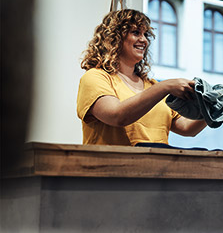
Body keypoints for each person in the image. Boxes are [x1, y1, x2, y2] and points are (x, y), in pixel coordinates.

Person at [77, 9, 207, 146]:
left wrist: (212, 111)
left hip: (156, 166)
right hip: (111, 166)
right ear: (115, 38)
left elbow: (186, 128)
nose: (144, 40)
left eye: (145, 34)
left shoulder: (152, 85)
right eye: (136, 33)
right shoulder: (95, 77)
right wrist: (165, 86)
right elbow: (117, 116)